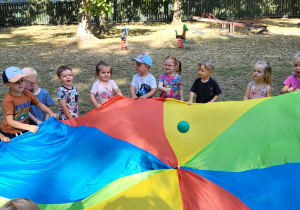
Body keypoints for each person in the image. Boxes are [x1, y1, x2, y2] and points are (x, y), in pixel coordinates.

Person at [0, 67, 58, 140]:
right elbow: (10, 122)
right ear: (7, 85)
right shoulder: (8, 100)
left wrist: (50, 113)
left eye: (22, 80)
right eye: (16, 82)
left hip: (24, 128)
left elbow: (39, 104)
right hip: (10, 132)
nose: (20, 83)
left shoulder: (27, 93)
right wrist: (29, 127)